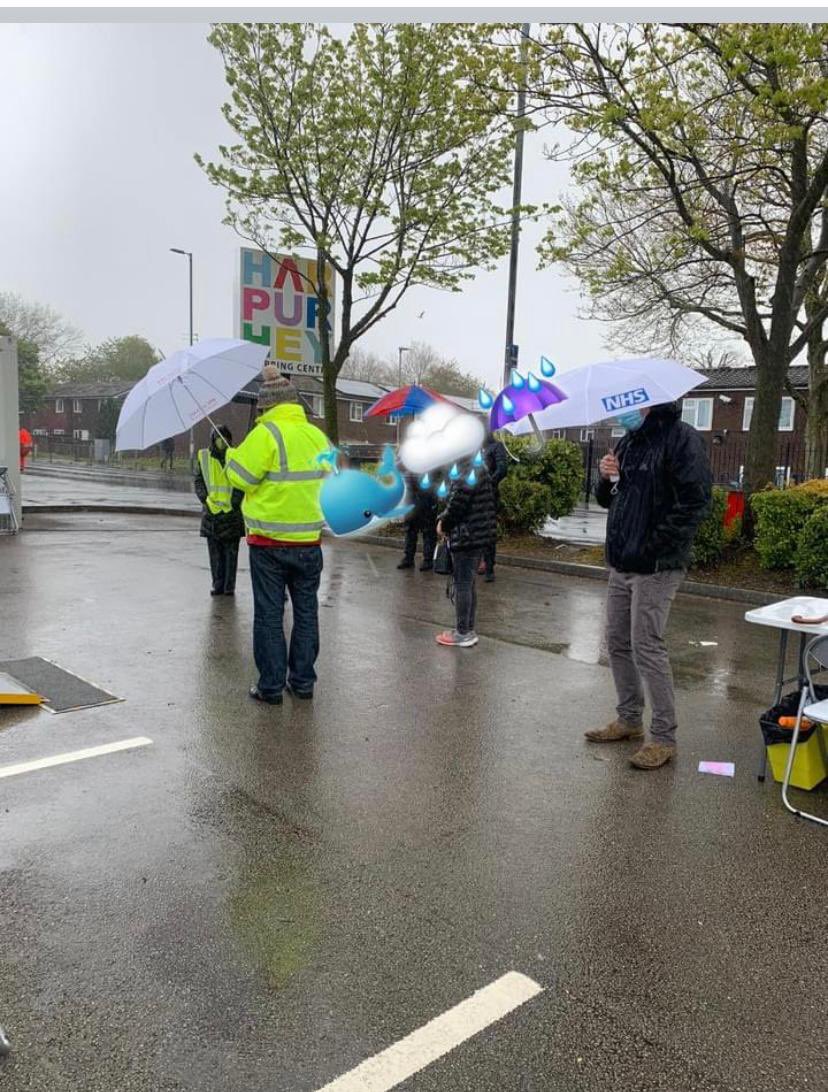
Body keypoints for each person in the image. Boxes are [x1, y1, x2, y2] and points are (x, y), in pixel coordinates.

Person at [589, 402, 712, 769]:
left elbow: (696, 501)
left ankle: (663, 736)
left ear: (649, 403)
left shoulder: (681, 439)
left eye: (630, 401)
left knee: (647, 645)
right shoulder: (628, 442)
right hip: (622, 561)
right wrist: (607, 477)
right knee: (617, 641)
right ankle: (629, 719)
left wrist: (655, 544)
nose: (622, 408)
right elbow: (607, 500)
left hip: (657, 565)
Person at [225, 365, 330, 706]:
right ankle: (302, 682)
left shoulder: (265, 434)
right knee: (306, 612)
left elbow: (240, 478)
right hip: (308, 543)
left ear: (266, 407)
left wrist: (228, 455)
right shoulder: (316, 435)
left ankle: (270, 686)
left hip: (268, 544)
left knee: (270, 614)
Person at [434, 458, 497, 648]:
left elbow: (458, 504)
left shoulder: (467, 468)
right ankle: (467, 629)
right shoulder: (476, 465)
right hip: (476, 535)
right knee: (468, 583)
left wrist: (443, 523)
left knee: (462, 584)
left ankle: (463, 633)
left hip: (467, 536)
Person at [194, 426, 244, 597]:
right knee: (215, 555)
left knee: (231, 555)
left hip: (231, 514)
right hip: (212, 513)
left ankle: (229, 587)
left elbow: (241, 483)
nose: (221, 442)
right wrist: (205, 500)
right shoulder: (204, 456)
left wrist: (235, 503)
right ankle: (218, 584)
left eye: (224, 438)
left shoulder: (235, 456)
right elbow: (199, 481)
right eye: (218, 438)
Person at [479, 430, 508, 582]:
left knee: (488, 531)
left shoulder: (497, 447)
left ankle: (489, 566)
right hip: (475, 495)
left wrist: (490, 482)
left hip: (489, 495)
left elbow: (502, 469)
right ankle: (480, 561)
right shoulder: (477, 449)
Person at [398, 471, 438, 572]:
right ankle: (408, 558)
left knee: (428, 530)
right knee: (410, 529)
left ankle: (428, 560)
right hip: (411, 497)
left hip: (428, 497)